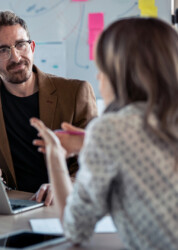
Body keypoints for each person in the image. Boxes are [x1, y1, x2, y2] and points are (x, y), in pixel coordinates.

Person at [31, 17, 178, 249]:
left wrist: (55, 157)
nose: (98, 78)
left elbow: (75, 229)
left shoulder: (110, 129)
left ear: (122, 75)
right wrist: (91, 143)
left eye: (102, 70)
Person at [0, 10, 97, 205]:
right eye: (3, 51)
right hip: (9, 207)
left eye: (20, 45)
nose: (15, 57)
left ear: (31, 47)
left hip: (62, 205)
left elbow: (95, 160)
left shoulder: (75, 92)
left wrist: (66, 184)